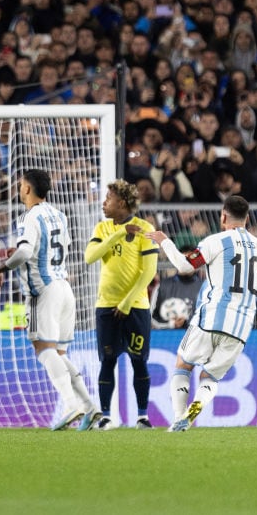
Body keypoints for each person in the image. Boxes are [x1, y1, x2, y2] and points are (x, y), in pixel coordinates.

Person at [145, 195, 257, 431]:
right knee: (210, 378)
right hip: (241, 326)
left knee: (183, 365)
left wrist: (165, 241)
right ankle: (191, 414)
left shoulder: (216, 241)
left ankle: (179, 417)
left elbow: (184, 266)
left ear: (223, 216)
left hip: (212, 317)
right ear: (248, 218)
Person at [0, 169, 98, 431]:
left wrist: (2, 267)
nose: (19, 189)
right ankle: (89, 407)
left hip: (43, 291)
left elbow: (25, 250)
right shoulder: (59, 214)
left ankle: (70, 404)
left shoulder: (30, 216)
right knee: (59, 354)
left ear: (28, 189)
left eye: (20, 185)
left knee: (43, 349)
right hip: (64, 287)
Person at [84, 179, 158, 430]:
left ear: (122, 203)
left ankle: (142, 417)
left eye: (109, 199)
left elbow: (148, 273)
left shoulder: (145, 229)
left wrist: (127, 302)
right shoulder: (103, 228)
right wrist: (118, 233)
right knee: (107, 360)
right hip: (106, 305)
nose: (104, 203)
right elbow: (89, 257)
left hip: (135, 308)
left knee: (139, 361)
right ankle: (106, 416)